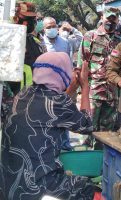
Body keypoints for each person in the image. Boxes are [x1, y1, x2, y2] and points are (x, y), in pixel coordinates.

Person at [1, 52, 98, 199]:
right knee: (89, 188)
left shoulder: (23, 94)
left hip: (8, 184)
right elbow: (87, 125)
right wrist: (85, 87)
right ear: (62, 74)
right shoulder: (58, 102)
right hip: (36, 187)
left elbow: (54, 109)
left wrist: (70, 89)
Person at [77, 6, 121, 149]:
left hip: (112, 94)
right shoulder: (90, 36)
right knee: (88, 129)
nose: (111, 21)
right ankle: (84, 163)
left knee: (107, 133)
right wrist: (81, 90)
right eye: (108, 18)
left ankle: (101, 164)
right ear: (102, 17)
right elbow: (82, 64)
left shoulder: (120, 41)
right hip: (93, 92)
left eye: (114, 19)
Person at [1, 1, 45, 129]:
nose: (29, 23)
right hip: (8, 102)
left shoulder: (36, 43)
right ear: (15, 18)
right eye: (25, 19)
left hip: (31, 104)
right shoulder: (4, 42)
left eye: (32, 19)